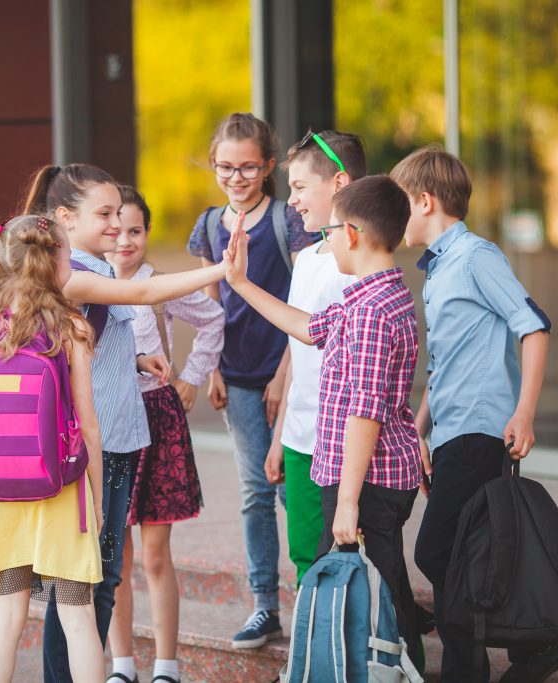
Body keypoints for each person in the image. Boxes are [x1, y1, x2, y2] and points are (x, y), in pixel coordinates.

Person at [19, 164, 230, 683]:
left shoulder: (89, 265)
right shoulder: (75, 271)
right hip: (99, 448)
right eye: (106, 213)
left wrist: (133, 359)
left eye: (122, 213)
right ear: (65, 217)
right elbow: (143, 295)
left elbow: (81, 344)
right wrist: (223, 270)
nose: (117, 223)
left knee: (101, 576)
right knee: (88, 579)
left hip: (118, 439)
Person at [223, 174, 425, 658]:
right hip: (370, 479)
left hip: (367, 483)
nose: (324, 240)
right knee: (384, 594)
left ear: (351, 234)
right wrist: (240, 282)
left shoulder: (373, 312)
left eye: (328, 232)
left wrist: (348, 502)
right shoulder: (368, 299)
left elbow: (366, 413)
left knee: (375, 605)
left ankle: (390, 668)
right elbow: (309, 329)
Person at [390, 145, 552, 683]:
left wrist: (524, 413)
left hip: (483, 433)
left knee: (439, 553)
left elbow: (532, 326)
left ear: (426, 200)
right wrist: (416, 433)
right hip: (453, 434)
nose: (395, 219)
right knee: (463, 555)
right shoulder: (437, 269)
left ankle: (481, 664)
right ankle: (528, 650)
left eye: (400, 206)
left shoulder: (476, 256)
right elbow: (449, 366)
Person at [186, 112, 318, 648]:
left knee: (292, 489)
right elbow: (208, 309)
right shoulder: (208, 225)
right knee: (254, 492)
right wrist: (212, 368)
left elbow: (305, 304)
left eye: (247, 167)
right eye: (224, 167)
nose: (235, 177)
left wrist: (286, 375)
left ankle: (318, 595)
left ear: (267, 166)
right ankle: (265, 606)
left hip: (288, 372)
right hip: (237, 377)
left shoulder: (290, 222)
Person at [0, 215, 105, 683]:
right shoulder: (71, 328)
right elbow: (87, 423)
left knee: (5, 620)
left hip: (2, 494)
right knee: (78, 619)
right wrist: (97, 498)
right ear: (54, 262)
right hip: (61, 490)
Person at [104, 185, 224, 683]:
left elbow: (214, 319)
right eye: (117, 231)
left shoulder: (161, 285)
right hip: (111, 423)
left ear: (148, 232)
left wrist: (192, 377)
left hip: (156, 420)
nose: (125, 241)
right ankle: (122, 666)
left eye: (136, 231)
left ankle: (167, 667)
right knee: (118, 554)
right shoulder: (90, 283)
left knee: (155, 553)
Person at [264, 130, 366, 585]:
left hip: (344, 442)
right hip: (301, 438)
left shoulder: (361, 263)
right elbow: (299, 359)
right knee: (306, 555)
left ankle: (376, 654)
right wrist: (281, 436)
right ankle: (315, 656)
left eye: (301, 188)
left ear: (340, 184)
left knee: (356, 556)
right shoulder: (305, 258)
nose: (293, 201)